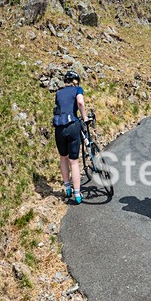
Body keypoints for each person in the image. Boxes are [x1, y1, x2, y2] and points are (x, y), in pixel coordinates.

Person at [53, 70, 88, 204]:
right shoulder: (77, 89)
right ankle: (77, 194)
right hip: (73, 126)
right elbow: (80, 103)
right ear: (75, 81)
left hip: (59, 128)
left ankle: (67, 188)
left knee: (63, 157)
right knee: (74, 161)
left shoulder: (58, 93)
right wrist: (84, 117)